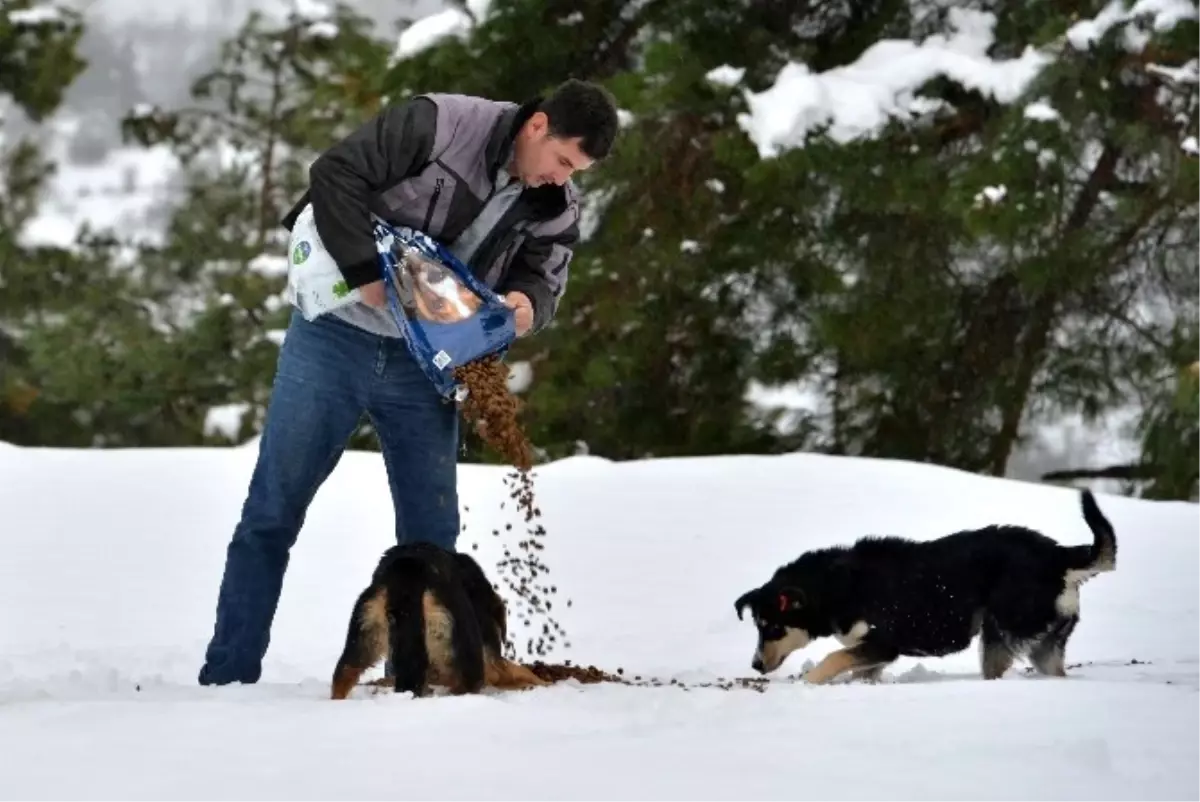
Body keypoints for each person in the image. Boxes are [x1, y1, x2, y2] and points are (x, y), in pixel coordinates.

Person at [197, 79, 620, 686]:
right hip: (333, 338)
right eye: (561, 160)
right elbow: (335, 174)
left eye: (576, 170)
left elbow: (545, 276)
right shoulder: (440, 124)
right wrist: (365, 271)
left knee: (432, 538)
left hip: (427, 368)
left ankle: (413, 680)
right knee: (272, 511)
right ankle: (228, 678)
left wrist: (529, 303)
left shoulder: (557, 203)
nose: (562, 178)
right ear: (537, 126)